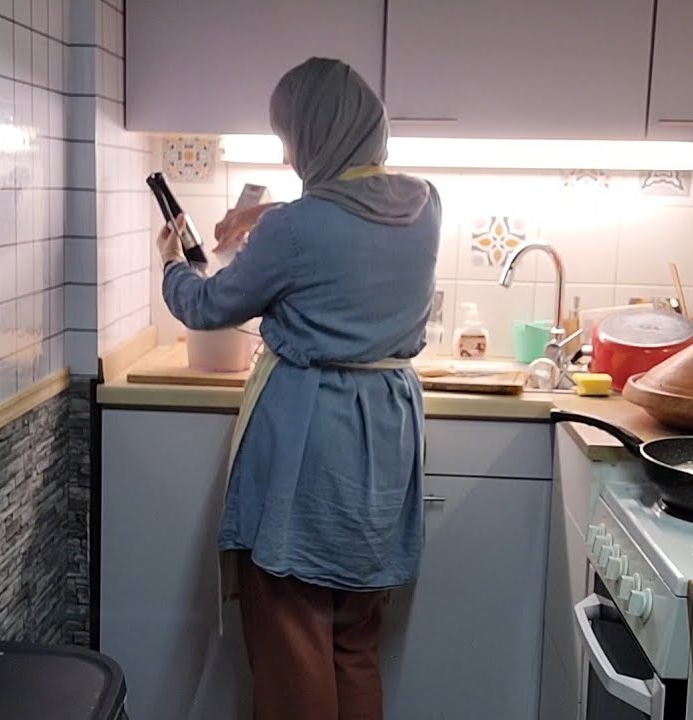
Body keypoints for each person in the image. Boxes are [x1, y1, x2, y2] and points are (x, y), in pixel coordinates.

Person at [155, 57, 441, 720]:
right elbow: (347, 217)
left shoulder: (297, 228)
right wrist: (267, 215)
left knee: (293, 630)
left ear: (312, 134)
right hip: (387, 436)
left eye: (287, 136)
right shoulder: (426, 205)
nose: (286, 152)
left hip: (312, 441)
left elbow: (205, 307)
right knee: (353, 639)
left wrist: (170, 263)